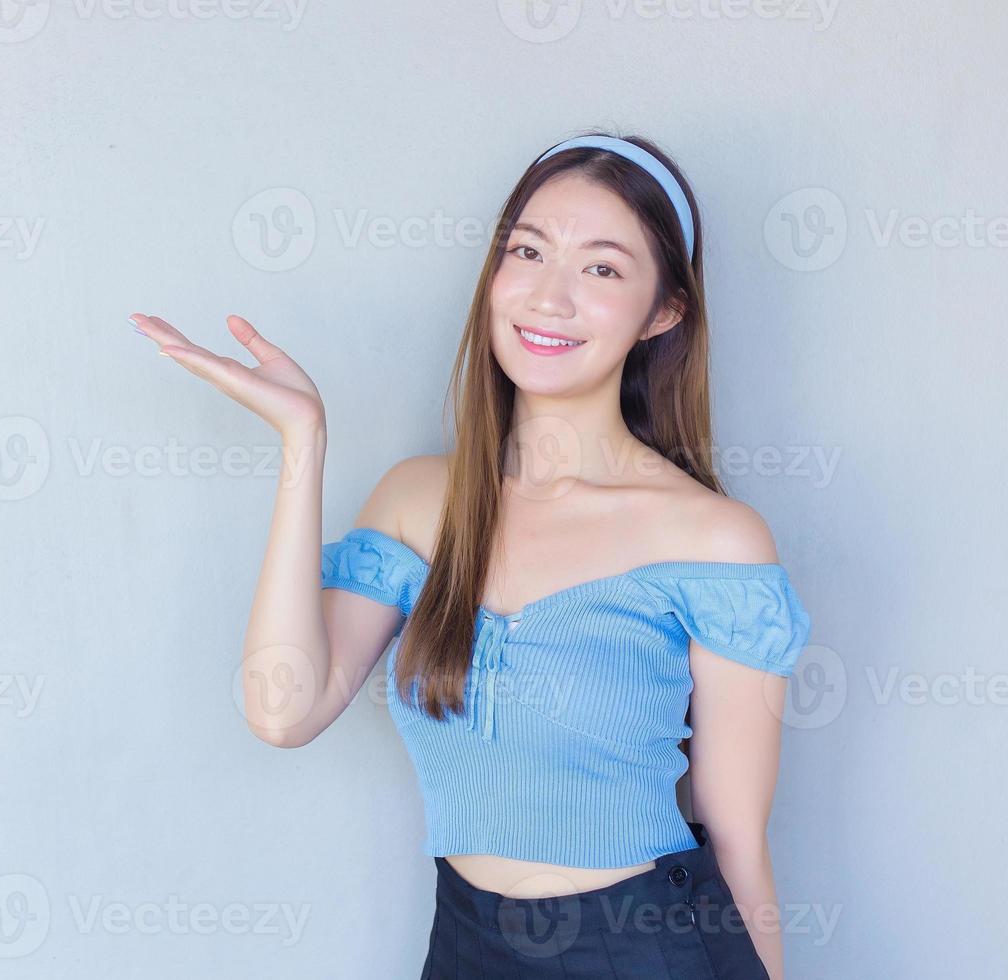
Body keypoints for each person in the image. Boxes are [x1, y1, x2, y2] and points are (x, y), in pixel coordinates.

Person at [130, 130, 812, 979]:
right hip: (466, 943)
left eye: (601, 268)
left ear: (665, 311)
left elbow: (738, 834)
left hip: (650, 948)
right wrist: (302, 442)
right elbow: (282, 711)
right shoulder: (420, 501)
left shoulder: (714, 540)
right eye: (528, 250)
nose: (550, 297)